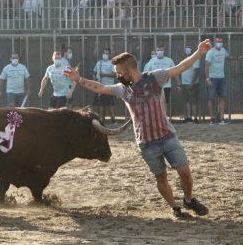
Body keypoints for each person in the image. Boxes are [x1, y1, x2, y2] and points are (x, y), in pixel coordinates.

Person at [63, 40, 213, 220]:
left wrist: (198, 53)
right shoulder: (122, 89)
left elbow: (180, 68)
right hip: (146, 142)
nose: (117, 75)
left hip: (167, 136)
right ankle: (175, 208)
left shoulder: (155, 77)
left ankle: (189, 200)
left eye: (119, 72)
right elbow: (100, 87)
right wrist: (79, 80)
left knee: (185, 172)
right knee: (161, 178)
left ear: (128, 71)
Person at [204, 37, 243, 124]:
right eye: (218, 41)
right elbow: (206, 65)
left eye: (221, 41)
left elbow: (228, 57)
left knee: (222, 98)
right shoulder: (210, 52)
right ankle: (212, 118)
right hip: (212, 78)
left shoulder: (223, 50)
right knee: (211, 98)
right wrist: (207, 78)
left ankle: (221, 118)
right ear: (214, 42)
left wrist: (237, 58)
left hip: (221, 77)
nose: (219, 43)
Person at [177, 45, 200, 123]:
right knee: (186, 101)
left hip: (193, 84)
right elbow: (179, 70)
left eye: (189, 48)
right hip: (184, 83)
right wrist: (179, 83)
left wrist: (192, 82)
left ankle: (195, 118)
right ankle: (188, 117)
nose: (188, 50)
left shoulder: (195, 59)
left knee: (193, 101)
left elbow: (196, 71)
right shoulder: (183, 60)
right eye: (186, 48)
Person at [93, 48, 116, 123]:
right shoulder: (99, 63)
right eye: (104, 53)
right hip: (99, 86)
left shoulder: (111, 63)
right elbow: (94, 72)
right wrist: (95, 78)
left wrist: (104, 74)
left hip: (109, 87)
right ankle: (101, 120)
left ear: (109, 55)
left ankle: (113, 120)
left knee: (110, 104)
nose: (105, 55)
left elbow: (114, 74)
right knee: (100, 104)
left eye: (107, 53)